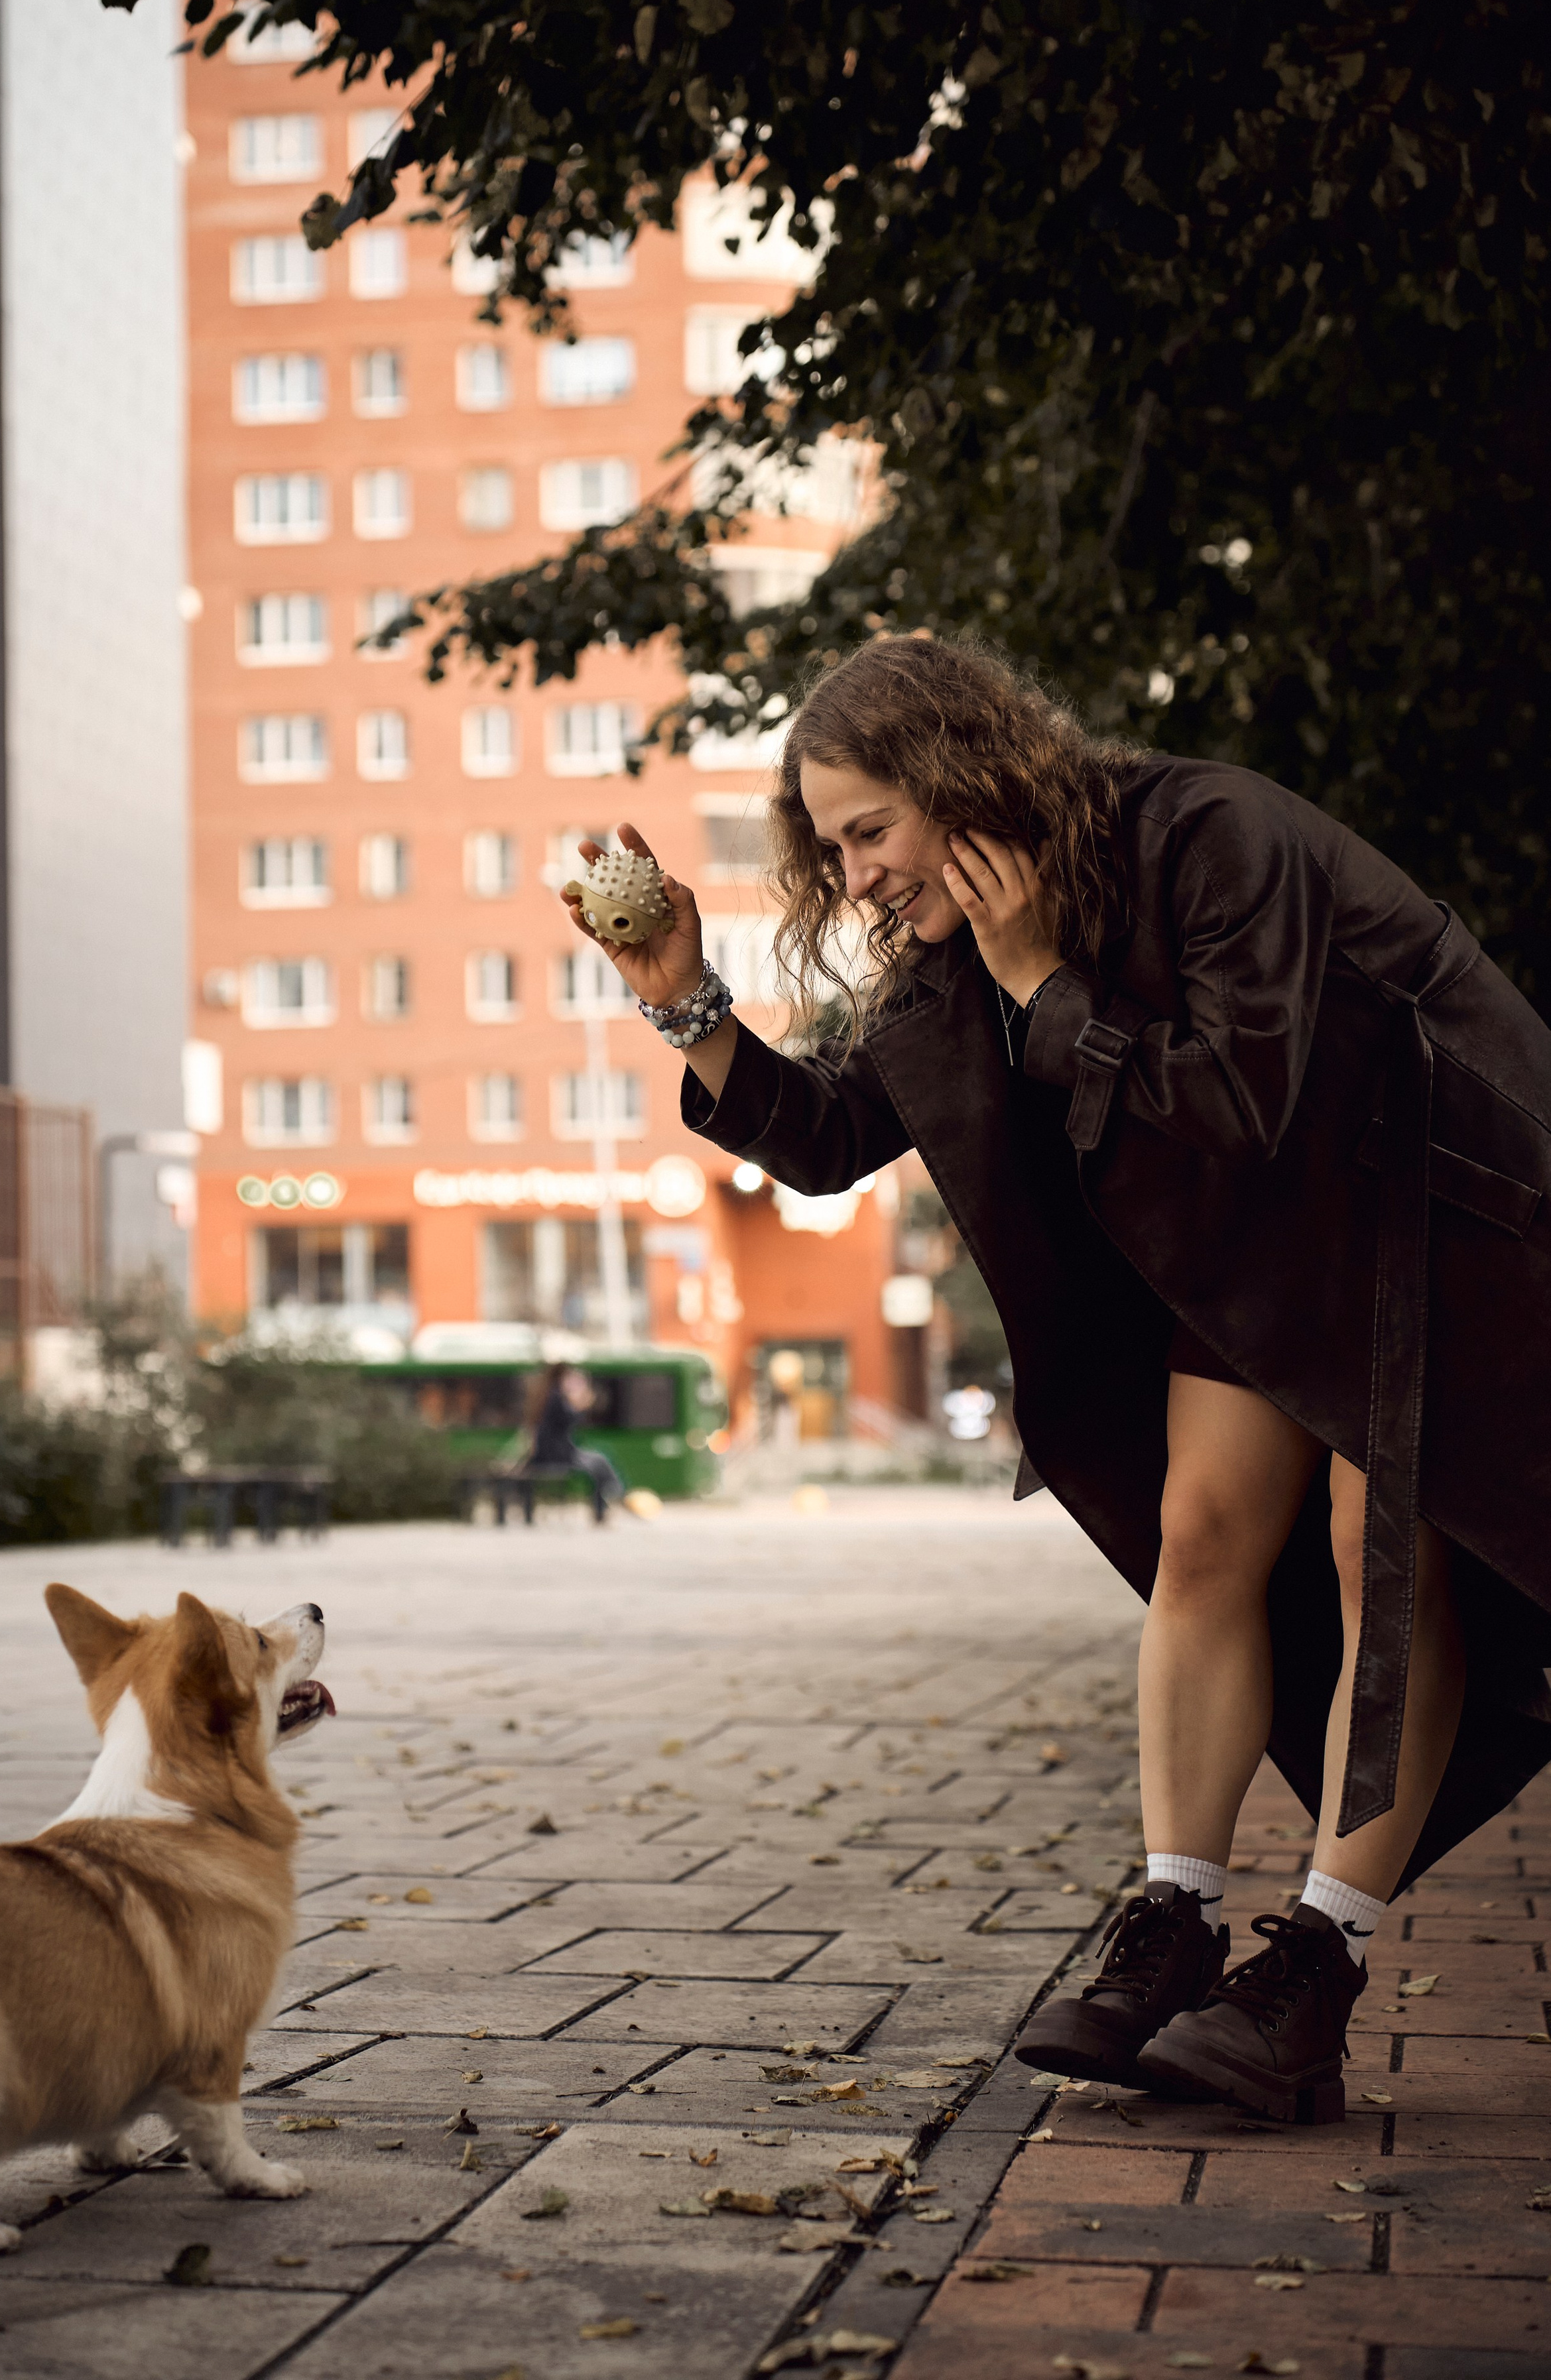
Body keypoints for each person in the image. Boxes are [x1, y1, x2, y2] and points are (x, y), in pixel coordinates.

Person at [558, 632, 1551, 2125]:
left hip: (1425, 1211)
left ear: (959, 774)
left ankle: (1312, 1974)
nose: (855, 877)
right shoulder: (952, 960)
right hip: (1256, 1248)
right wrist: (685, 996)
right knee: (1200, 1535)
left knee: (1374, 1554)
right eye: (828, 852)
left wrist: (1041, 980)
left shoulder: (1210, 834)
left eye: (869, 832)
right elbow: (827, 1133)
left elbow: (1241, 1093)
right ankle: (1170, 1924)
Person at [530, 1362, 624, 1525]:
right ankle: (611, 1498)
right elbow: (571, 1419)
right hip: (558, 1456)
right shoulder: (557, 1398)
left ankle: (609, 1497)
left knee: (599, 1461)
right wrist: (583, 1403)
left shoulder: (548, 1395)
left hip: (556, 1453)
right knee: (599, 1462)